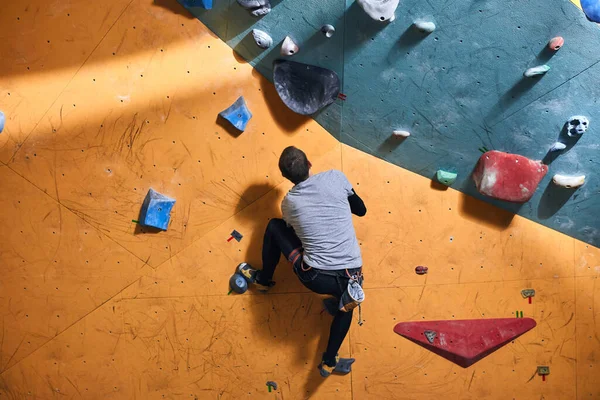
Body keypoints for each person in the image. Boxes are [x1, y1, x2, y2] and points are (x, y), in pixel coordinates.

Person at [237, 146, 367, 377]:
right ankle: (328, 361)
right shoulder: (336, 177)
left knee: (275, 227)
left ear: (286, 178)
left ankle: (264, 280)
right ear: (309, 164)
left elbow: (296, 232)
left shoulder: (289, 203)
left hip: (316, 277)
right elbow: (361, 210)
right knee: (346, 303)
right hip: (352, 273)